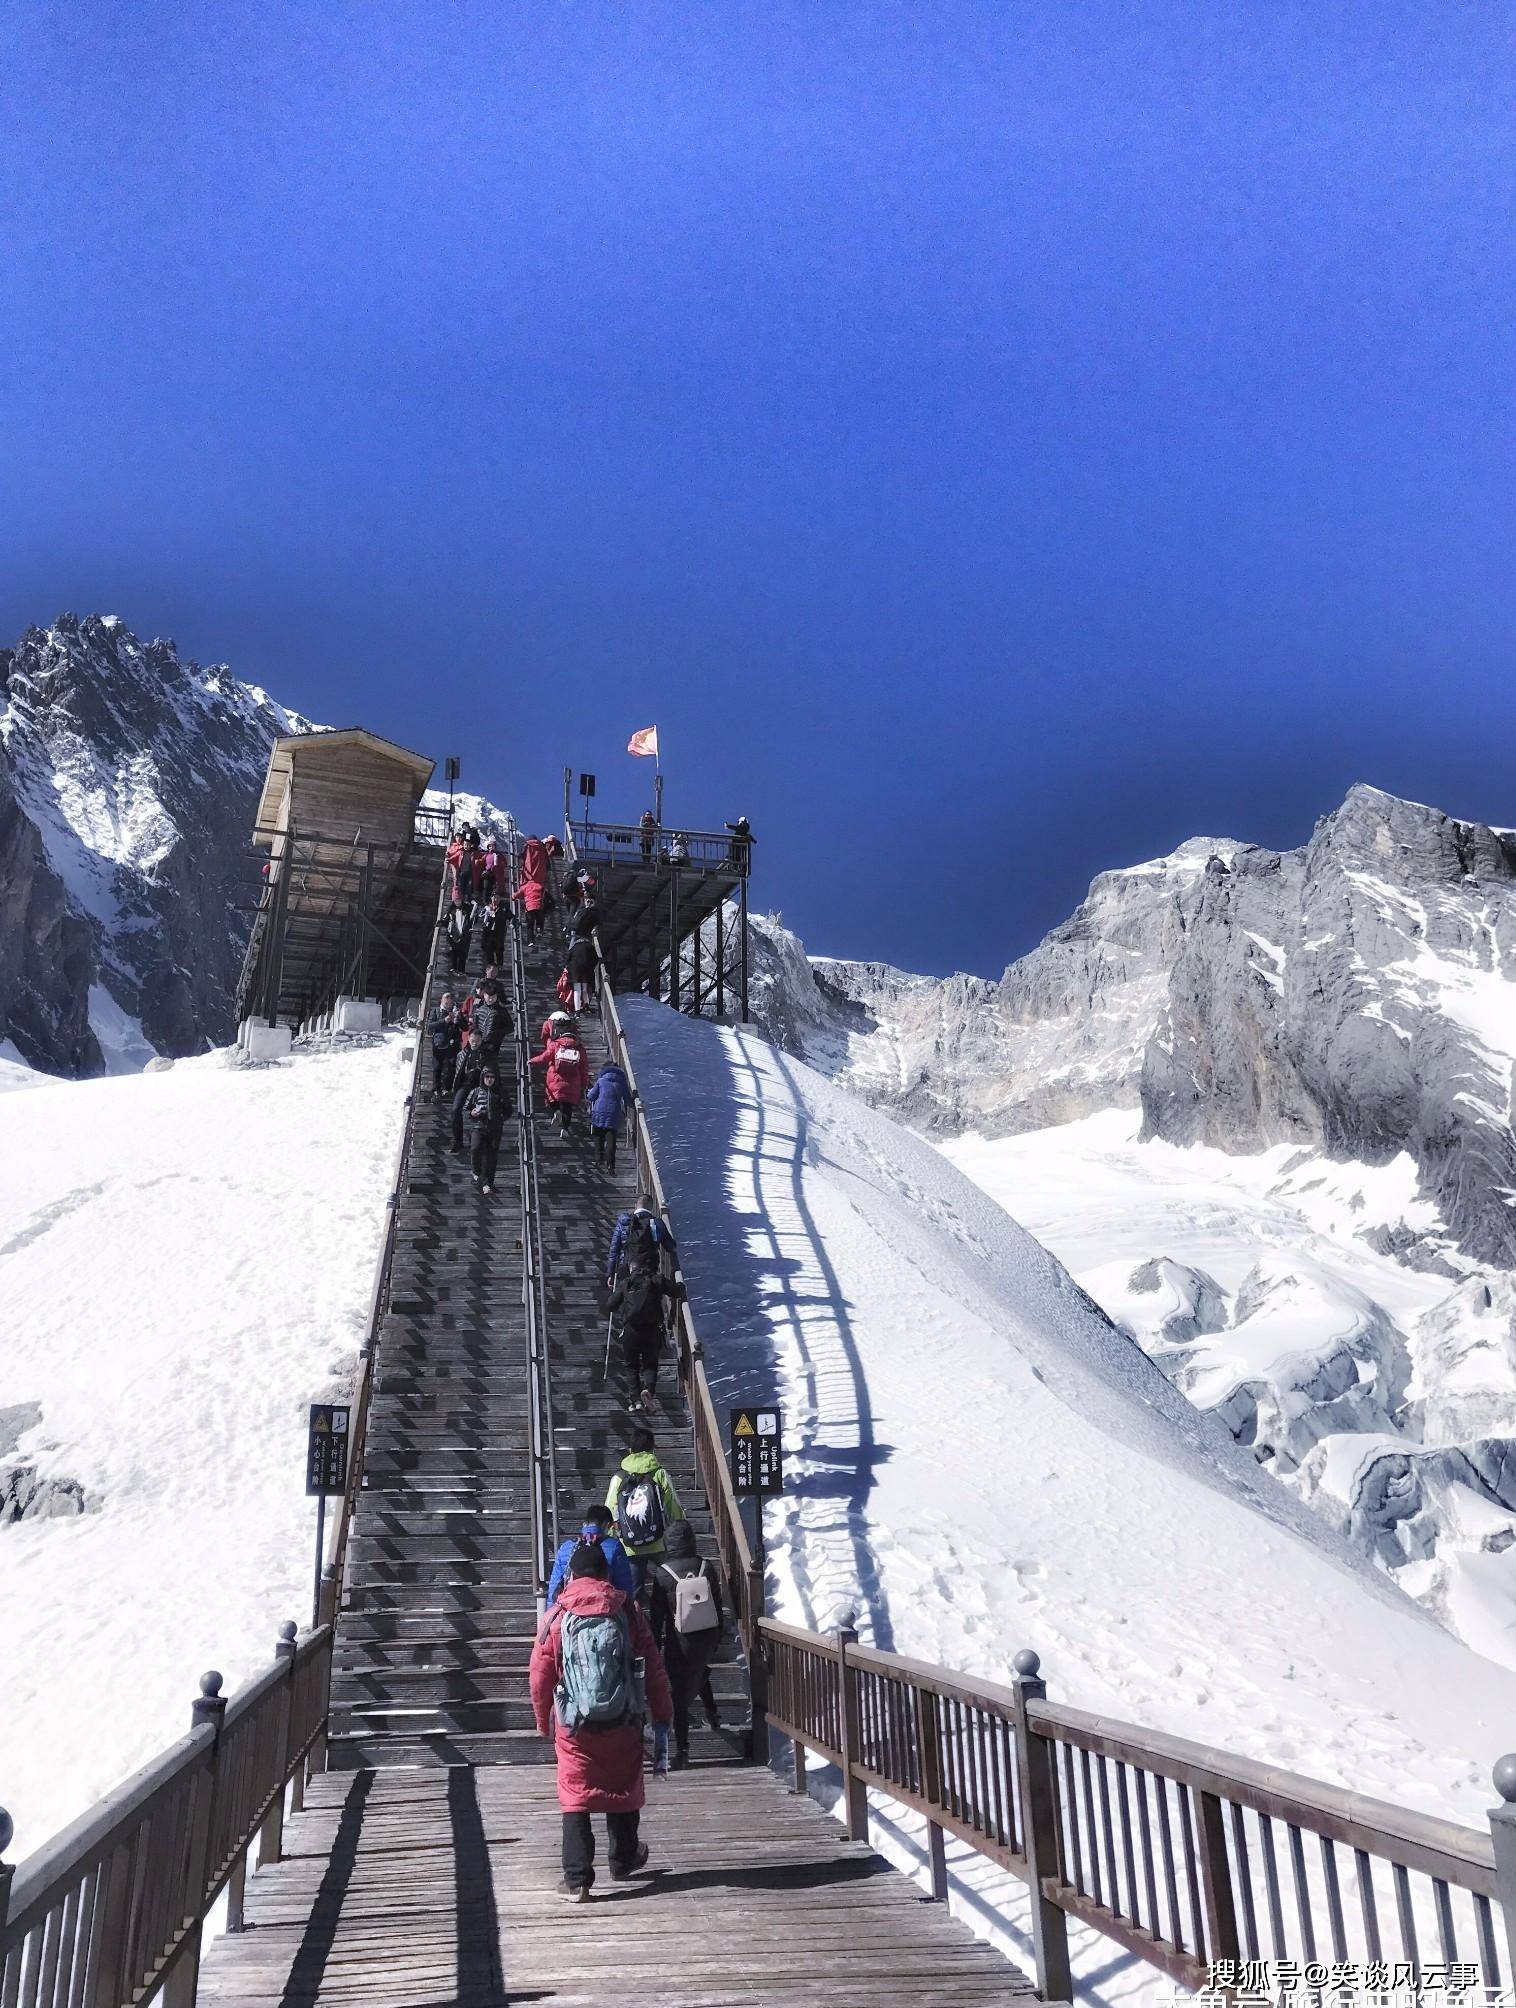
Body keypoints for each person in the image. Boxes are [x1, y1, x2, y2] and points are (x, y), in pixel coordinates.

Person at [530, 1542, 672, 1901]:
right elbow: (653, 1667)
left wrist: (542, 1719)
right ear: (606, 1575)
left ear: (572, 1575)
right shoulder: (628, 1609)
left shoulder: (557, 1614)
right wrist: (663, 1714)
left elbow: (540, 1673)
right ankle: (624, 1858)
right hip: (623, 1714)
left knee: (576, 1791)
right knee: (622, 1781)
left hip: (574, 1721)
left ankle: (577, 1879)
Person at [650, 1520, 724, 1769]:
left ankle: (682, 1751)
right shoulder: (706, 1567)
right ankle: (713, 1713)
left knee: (678, 1697)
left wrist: (654, 1648)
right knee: (700, 1671)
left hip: (679, 1642)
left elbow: (657, 1617)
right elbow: (718, 1606)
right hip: (707, 1635)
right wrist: (717, 1637)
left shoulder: (662, 1573)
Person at [606, 1428, 684, 1597]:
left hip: (629, 1542)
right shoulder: (659, 1474)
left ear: (630, 1450)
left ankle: (636, 1620)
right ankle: (668, 1617)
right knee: (672, 1582)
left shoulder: (619, 1477)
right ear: (652, 1448)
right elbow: (673, 1507)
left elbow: (610, 1510)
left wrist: (611, 1539)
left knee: (633, 1592)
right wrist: (680, 1532)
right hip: (659, 1540)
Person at [610, 1265, 681, 1412]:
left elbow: (610, 1305)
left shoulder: (626, 1283)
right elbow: (677, 1291)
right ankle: (648, 1390)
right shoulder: (655, 1280)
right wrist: (680, 1283)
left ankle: (635, 1401)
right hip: (651, 1329)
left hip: (630, 1330)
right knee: (650, 1364)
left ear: (632, 1268)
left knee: (631, 1366)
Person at [546, 1504, 637, 1607]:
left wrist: (551, 1614)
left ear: (586, 1523)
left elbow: (554, 1586)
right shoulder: (614, 1546)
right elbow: (624, 1586)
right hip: (604, 1609)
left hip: (570, 1610)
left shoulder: (565, 1547)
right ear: (607, 1525)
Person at [529, 1020, 589, 1135]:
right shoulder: (579, 1047)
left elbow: (544, 1057)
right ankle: (565, 1129)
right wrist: (584, 1084)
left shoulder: (555, 1044)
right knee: (568, 1105)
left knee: (552, 1098)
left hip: (555, 1078)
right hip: (572, 1080)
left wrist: (532, 1061)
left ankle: (556, 1111)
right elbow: (584, 1067)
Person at [606, 1198, 676, 1288]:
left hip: (627, 1268)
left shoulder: (624, 1222)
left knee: (623, 1297)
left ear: (636, 1206)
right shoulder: (656, 1223)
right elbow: (671, 1247)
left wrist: (610, 1274)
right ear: (651, 1208)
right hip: (649, 1271)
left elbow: (614, 1249)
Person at [465, 1063, 508, 1194]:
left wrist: (501, 1119)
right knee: (475, 1148)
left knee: (492, 1156)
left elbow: (508, 1110)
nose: (489, 1079)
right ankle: (476, 1172)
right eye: (487, 1076)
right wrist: (471, 1113)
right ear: (483, 1077)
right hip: (478, 1126)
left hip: (495, 1128)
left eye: (492, 1077)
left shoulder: (501, 1092)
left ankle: (488, 1183)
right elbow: (466, 1108)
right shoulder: (476, 1091)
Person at [586, 1060, 633, 1171]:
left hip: (599, 1111)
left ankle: (599, 1160)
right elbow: (628, 1100)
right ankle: (611, 1164)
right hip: (614, 1113)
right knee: (611, 1140)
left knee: (598, 1137)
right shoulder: (621, 1082)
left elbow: (591, 1096)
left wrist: (588, 1091)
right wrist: (635, 1100)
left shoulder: (601, 1080)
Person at [450, 1028, 487, 1153]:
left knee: (481, 1111)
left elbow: (492, 1072)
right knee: (455, 1110)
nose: (474, 1043)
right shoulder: (463, 1053)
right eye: (472, 1040)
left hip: (479, 1086)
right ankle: (457, 1141)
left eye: (477, 1041)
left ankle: (482, 1142)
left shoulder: (486, 1054)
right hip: (464, 1085)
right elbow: (456, 1071)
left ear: (481, 1041)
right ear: (469, 1040)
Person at [427, 991, 461, 1100]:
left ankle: (447, 1088)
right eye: (446, 1003)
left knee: (451, 1066)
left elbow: (463, 1027)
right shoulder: (436, 1011)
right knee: (437, 1067)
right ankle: (436, 1090)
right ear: (442, 1001)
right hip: (438, 1044)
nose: (448, 1005)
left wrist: (458, 1019)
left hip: (452, 1044)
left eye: (450, 1003)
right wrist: (444, 1021)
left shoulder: (456, 1012)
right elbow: (430, 1025)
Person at [516, 836, 550, 942]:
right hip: (540, 878)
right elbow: (547, 862)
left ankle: (530, 940)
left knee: (530, 919)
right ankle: (539, 929)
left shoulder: (527, 846)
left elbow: (521, 855)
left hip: (529, 876)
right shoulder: (542, 847)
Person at [444, 887, 472, 976]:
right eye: (456, 900)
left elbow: (472, 919)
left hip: (464, 933)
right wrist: (441, 922)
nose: (458, 902)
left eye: (459, 900)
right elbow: (446, 919)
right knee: (454, 952)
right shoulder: (450, 909)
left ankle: (461, 970)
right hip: (453, 933)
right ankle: (453, 968)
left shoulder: (467, 908)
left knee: (463, 953)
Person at [566, 934, 597, 1015]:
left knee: (577, 990)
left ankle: (577, 1010)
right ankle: (586, 1005)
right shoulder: (590, 946)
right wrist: (591, 967)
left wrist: (567, 968)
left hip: (574, 969)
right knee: (584, 988)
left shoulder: (574, 947)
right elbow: (595, 959)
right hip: (586, 969)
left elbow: (568, 959)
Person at [480, 893, 508, 966]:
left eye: (498, 898)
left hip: (498, 931)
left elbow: (510, 916)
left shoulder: (503, 908)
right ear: (491, 898)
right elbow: (480, 916)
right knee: (488, 949)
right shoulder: (487, 907)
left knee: (499, 949)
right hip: (488, 931)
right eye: (494, 897)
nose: (496, 899)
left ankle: (499, 965)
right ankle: (490, 965)